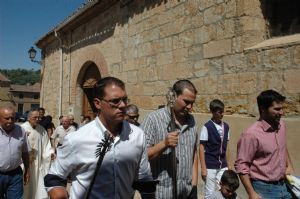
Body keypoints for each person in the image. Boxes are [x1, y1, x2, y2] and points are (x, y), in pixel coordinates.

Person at [44, 76, 155, 199]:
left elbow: (144, 179)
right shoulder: (76, 139)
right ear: (98, 103)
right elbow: (54, 177)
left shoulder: (137, 135)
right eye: (115, 101)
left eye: (125, 99)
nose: (123, 105)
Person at [141, 79, 199, 199]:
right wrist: (164, 144)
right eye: (186, 102)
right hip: (160, 194)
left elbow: (193, 154)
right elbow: (141, 156)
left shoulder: (192, 121)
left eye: (192, 103)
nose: (190, 107)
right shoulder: (153, 119)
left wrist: (194, 185)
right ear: (173, 96)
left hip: (186, 193)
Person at [234, 90, 295, 199]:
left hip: (285, 185)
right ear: (263, 109)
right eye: (277, 109)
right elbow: (241, 166)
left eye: (282, 108)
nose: (282, 112)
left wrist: (289, 165)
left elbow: (282, 147)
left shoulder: (281, 125)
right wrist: (251, 193)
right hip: (264, 190)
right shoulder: (251, 134)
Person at [199, 99, 233, 198]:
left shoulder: (226, 126)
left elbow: (227, 147)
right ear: (213, 112)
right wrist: (203, 168)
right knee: (209, 193)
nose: (222, 114)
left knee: (223, 191)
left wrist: (229, 165)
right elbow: (201, 147)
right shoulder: (207, 127)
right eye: (219, 112)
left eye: (223, 111)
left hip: (223, 165)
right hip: (210, 165)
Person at [21, 110, 54, 199]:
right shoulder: (22, 128)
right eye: (35, 117)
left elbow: (46, 145)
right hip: (24, 162)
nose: (38, 119)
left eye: (39, 117)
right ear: (28, 118)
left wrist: (50, 153)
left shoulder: (42, 130)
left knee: (36, 181)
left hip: (38, 161)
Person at [0, 106, 30, 199]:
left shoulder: (21, 130)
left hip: (15, 175)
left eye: (12, 118)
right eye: (6, 118)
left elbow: (25, 152)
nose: (10, 121)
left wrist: (27, 170)